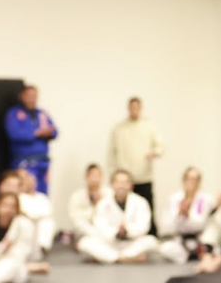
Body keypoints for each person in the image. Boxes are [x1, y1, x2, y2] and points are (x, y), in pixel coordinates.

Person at [77, 170, 158, 264]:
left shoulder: (140, 202)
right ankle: (120, 258)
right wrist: (116, 232)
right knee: (85, 242)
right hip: (111, 242)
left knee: (151, 241)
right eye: (118, 182)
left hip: (131, 241)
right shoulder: (103, 203)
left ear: (131, 185)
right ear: (112, 184)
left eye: (125, 182)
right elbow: (100, 226)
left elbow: (144, 226)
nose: (121, 186)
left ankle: (109, 257)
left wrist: (127, 231)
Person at [108, 97, 163, 236]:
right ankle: (124, 234)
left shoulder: (148, 126)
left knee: (147, 207)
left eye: (137, 107)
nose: (134, 110)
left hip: (143, 175)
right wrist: (114, 173)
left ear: (140, 108)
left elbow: (160, 146)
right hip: (125, 176)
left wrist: (154, 153)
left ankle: (150, 234)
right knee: (125, 209)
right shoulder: (119, 128)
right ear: (128, 108)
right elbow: (111, 152)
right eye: (132, 107)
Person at [4, 86, 58, 195]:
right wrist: (36, 133)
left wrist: (49, 133)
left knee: (42, 194)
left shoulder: (42, 113)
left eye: (34, 96)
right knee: (25, 191)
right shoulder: (14, 113)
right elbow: (14, 134)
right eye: (29, 96)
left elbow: (54, 131)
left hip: (42, 162)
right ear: (22, 96)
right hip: (24, 162)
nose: (32, 99)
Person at [159, 167, 215, 264]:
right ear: (184, 181)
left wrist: (188, 215)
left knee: (213, 245)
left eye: (195, 179)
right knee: (165, 248)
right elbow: (168, 226)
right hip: (181, 240)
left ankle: (199, 253)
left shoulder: (206, 199)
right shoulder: (174, 199)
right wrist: (179, 214)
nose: (192, 182)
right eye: (189, 179)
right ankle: (192, 256)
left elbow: (202, 224)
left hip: (200, 238)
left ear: (199, 182)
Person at [16, 170, 53, 274]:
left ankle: (43, 248)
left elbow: (46, 213)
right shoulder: (18, 197)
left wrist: (33, 216)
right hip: (24, 232)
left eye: (31, 179)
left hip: (38, 234)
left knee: (46, 222)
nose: (29, 182)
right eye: (25, 180)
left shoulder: (42, 198)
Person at [68, 164, 110, 242]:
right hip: (86, 233)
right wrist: (93, 205)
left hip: (106, 232)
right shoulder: (77, 196)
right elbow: (77, 220)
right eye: (92, 175)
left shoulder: (109, 194)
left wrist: (100, 203)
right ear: (86, 177)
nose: (95, 179)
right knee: (86, 243)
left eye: (98, 175)